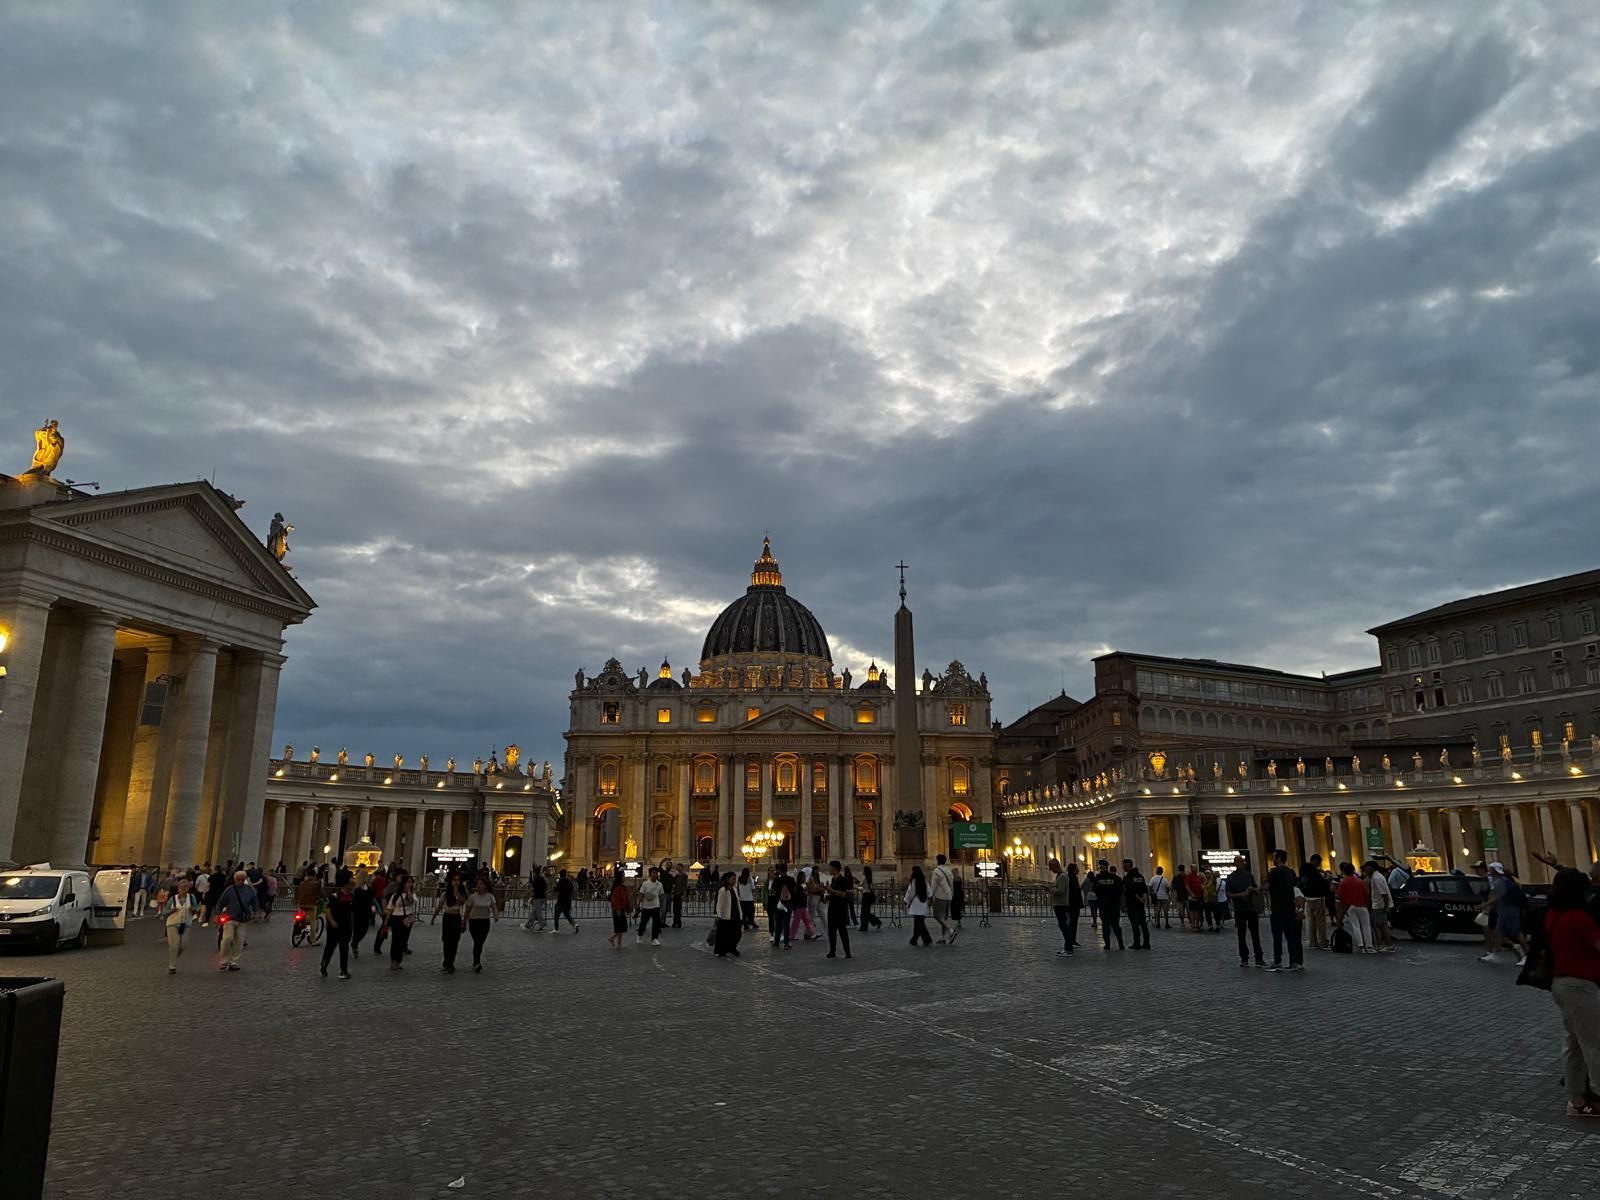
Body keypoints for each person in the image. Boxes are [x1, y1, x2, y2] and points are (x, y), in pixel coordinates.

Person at [1542, 868, 1600, 1117]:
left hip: (1561, 982)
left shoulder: (1553, 915)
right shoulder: (1579, 918)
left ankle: (1577, 1099)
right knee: (1594, 1043)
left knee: (1574, 1043)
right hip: (1581, 984)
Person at [1482, 862, 1530, 965]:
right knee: (1499, 931)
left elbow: (1498, 897)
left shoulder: (1499, 882)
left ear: (1495, 871)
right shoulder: (1504, 881)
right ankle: (1495, 954)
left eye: (1490, 869)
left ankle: (1527, 956)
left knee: (1516, 932)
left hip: (1509, 910)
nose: (1489, 871)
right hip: (1505, 909)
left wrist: (1485, 905)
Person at [1265, 849, 1304, 972]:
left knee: (1277, 936)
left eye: (1274, 857)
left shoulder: (1275, 872)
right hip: (1289, 907)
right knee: (1290, 936)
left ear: (1279, 858)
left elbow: (1267, 886)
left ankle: (1278, 961)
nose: (1273, 859)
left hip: (1277, 907)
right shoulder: (1290, 872)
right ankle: (1293, 961)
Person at [1224, 855, 1265, 967]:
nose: (1242, 864)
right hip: (1240, 909)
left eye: (1243, 862)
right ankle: (1244, 958)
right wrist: (1242, 894)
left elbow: (1257, 889)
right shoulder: (1231, 878)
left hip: (1251, 908)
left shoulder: (1249, 876)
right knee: (1241, 935)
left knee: (1255, 934)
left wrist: (1252, 889)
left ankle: (1259, 958)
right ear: (1235, 864)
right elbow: (1228, 894)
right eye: (1240, 862)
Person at [214, 869, 258, 972]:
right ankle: (224, 960)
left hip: (243, 919)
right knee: (227, 938)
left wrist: (255, 912)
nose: (241, 882)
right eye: (239, 879)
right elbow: (221, 902)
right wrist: (217, 914)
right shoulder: (229, 890)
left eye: (243, 879)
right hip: (230, 918)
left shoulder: (249, 890)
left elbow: (254, 901)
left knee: (239, 940)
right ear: (235, 879)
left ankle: (234, 961)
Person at [159, 876, 201, 974]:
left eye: (185, 887)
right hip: (173, 923)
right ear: (178, 888)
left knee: (183, 945)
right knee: (174, 945)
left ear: (188, 889)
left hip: (186, 924)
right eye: (181, 887)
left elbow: (196, 909)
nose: (183, 889)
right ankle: (172, 966)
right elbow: (164, 912)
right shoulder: (173, 899)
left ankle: (173, 957)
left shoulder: (191, 898)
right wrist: (171, 910)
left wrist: (193, 910)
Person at [320, 870, 354, 980]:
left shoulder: (352, 896)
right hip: (335, 927)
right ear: (345, 882)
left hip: (346, 926)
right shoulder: (336, 896)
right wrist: (332, 921)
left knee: (344, 949)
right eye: (351, 879)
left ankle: (343, 970)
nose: (353, 881)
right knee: (330, 947)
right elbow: (328, 910)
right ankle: (324, 965)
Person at [433, 873, 468, 972]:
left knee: (455, 940)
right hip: (447, 916)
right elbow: (440, 906)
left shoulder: (461, 892)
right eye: (454, 880)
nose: (456, 882)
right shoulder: (446, 894)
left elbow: (462, 902)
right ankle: (446, 961)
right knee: (446, 940)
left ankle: (451, 962)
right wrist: (434, 917)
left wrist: (457, 893)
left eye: (458, 880)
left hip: (456, 917)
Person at [1336, 862, 1374, 954]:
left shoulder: (1343, 882)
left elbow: (1341, 896)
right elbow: (1366, 894)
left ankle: (1360, 945)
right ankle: (1369, 945)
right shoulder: (1360, 882)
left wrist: (1342, 909)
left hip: (1350, 906)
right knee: (1366, 926)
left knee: (1355, 926)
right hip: (1362, 905)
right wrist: (1368, 904)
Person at [464, 875, 500, 970]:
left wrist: (496, 915)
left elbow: (494, 907)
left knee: (481, 942)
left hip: (485, 922)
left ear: (485, 886)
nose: (478, 886)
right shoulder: (473, 897)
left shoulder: (490, 897)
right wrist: (464, 921)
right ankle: (476, 962)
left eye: (480, 884)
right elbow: (467, 910)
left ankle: (476, 960)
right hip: (474, 921)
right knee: (477, 941)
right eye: (478, 884)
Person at [384, 875, 419, 971]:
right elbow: (390, 909)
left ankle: (398, 960)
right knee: (396, 940)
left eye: (411, 882)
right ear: (403, 883)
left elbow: (411, 902)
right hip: (396, 918)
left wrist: (408, 891)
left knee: (403, 940)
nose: (410, 884)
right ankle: (394, 960)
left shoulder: (412, 894)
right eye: (408, 882)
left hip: (407, 918)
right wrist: (386, 923)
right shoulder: (395, 896)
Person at [1300, 855, 1331, 950]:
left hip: (1307, 898)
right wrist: (1325, 874)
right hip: (1317, 897)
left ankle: (1312, 942)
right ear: (1316, 861)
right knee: (1320, 921)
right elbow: (1323, 881)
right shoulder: (1314, 872)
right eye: (1319, 862)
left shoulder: (1303, 869)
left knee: (1310, 921)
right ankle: (1323, 942)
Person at [825, 860, 854, 959]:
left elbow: (843, 894)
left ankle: (847, 951)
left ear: (834, 868)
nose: (828, 869)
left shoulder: (842, 880)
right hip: (832, 907)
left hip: (840, 908)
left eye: (830, 867)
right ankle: (832, 951)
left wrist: (832, 890)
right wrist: (828, 894)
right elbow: (833, 893)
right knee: (831, 931)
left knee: (842, 931)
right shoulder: (833, 879)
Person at [1365, 860, 1396, 953]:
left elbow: (1384, 894)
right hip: (1379, 904)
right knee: (1380, 925)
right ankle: (1386, 944)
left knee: (1381, 926)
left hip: (1379, 905)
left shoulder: (1377, 878)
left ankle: (1387, 945)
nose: (1366, 870)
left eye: (1367, 868)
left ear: (1371, 867)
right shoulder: (1377, 876)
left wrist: (1385, 906)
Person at [1093, 860, 1124, 950]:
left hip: (1103, 905)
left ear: (1100, 867)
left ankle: (1107, 945)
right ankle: (1121, 944)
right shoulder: (1115, 878)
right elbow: (1120, 890)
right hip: (1114, 905)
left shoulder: (1098, 878)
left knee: (1105, 926)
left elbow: (1095, 890)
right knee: (1116, 925)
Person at [1050, 858, 1077, 957]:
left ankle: (1069, 948)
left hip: (1061, 904)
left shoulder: (1062, 877)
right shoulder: (1060, 876)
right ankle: (1067, 947)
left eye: (1051, 867)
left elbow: (1061, 891)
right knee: (1063, 926)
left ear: (1056, 866)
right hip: (1059, 904)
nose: (1050, 870)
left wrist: (1051, 890)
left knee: (1064, 926)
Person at [1123, 860, 1151, 950]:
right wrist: (1142, 898)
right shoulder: (1140, 876)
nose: (1123, 867)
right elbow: (1144, 889)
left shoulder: (1128, 877)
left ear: (1128, 865)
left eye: (1124, 865)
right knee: (1143, 923)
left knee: (1134, 924)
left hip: (1132, 903)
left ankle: (1137, 943)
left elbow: (1130, 890)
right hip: (1140, 904)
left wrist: (1137, 898)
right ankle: (1146, 942)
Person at [931, 854, 958, 944]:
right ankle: (942, 937)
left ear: (937, 861)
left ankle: (951, 931)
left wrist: (930, 896)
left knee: (937, 916)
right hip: (948, 896)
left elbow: (933, 886)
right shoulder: (948, 871)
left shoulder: (936, 871)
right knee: (944, 918)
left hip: (940, 896)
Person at [713, 872, 742, 957]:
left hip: (735, 914)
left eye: (735, 879)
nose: (734, 881)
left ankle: (732, 947)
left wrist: (740, 913)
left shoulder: (735, 889)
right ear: (728, 879)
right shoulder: (723, 890)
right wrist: (718, 914)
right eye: (733, 879)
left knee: (737, 933)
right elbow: (719, 903)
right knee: (724, 934)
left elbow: (737, 902)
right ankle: (722, 950)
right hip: (726, 915)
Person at [635, 866, 664, 947]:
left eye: (657, 873)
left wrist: (661, 906)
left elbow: (661, 896)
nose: (655, 874)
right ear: (650, 874)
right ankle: (639, 935)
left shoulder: (659, 884)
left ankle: (654, 939)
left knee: (656, 923)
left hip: (656, 906)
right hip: (646, 907)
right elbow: (641, 894)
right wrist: (637, 904)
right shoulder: (645, 884)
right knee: (643, 923)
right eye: (654, 873)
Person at [905, 865, 934, 947]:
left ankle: (924, 939)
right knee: (918, 923)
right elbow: (929, 892)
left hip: (915, 904)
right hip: (923, 903)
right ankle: (916, 939)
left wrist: (905, 901)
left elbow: (909, 893)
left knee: (919, 923)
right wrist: (930, 900)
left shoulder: (913, 881)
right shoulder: (924, 880)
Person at [768, 865, 795, 947]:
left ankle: (776, 943)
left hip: (779, 904)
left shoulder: (777, 880)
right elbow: (794, 892)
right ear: (786, 870)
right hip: (788, 904)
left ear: (779, 870)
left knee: (778, 923)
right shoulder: (791, 880)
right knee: (786, 924)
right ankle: (786, 943)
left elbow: (771, 892)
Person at [608, 870, 631, 949]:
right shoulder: (618, 888)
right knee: (620, 927)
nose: (624, 877)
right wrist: (618, 909)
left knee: (621, 927)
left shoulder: (622, 887)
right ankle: (618, 943)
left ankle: (614, 939)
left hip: (621, 909)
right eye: (623, 876)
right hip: (618, 910)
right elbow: (616, 900)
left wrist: (627, 908)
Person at [551, 868, 579, 933]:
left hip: (561, 901)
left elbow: (557, 889)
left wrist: (554, 887)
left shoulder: (560, 881)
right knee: (568, 916)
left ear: (560, 875)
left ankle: (556, 929)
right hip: (568, 901)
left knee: (556, 916)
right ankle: (575, 924)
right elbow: (572, 890)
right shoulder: (569, 882)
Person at [859, 865, 882, 931]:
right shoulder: (869, 878)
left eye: (863, 870)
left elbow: (860, 886)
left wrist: (856, 884)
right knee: (866, 912)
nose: (862, 871)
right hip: (868, 896)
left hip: (866, 896)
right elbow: (867, 887)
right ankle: (875, 922)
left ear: (865, 871)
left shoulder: (864, 878)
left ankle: (864, 927)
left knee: (864, 912)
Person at [1183, 863, 1205, 931]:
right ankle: (1193, 924)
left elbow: (1201, 884)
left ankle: (1197, 923)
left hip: (1199, 896)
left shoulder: (1198, 876)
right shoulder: (1189, 876)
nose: (1196, 869)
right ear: (1191, 868)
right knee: (1193, 911)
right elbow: (1187, 886)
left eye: (1196, 868)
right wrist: (1191, 893)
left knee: (1198, 910)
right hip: (1193, 896)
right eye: (1195, 868)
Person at [670, 863, 687, 928]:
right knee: (675, 909)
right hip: (675, 894)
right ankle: (675, 922)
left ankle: (678, 922)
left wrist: (683, 893)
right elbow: (673, 884)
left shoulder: (684, 876)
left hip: (679, 894)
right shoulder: (676, 876)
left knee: (678, 909)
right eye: (677, 867)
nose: (678, 868)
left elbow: (684, 885)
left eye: (679, 867)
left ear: (682, 868)